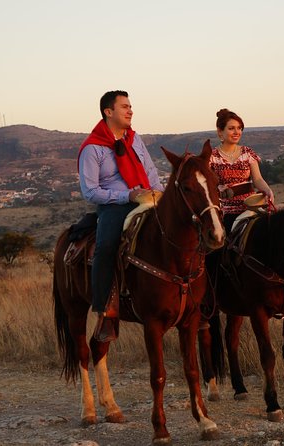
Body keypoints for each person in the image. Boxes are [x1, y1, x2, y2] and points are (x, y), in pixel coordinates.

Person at [78, 90, 164, 341]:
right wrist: (126, 196)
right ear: (108, 112)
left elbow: (150, 171)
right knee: (105, 248)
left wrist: (158, 193)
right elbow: (90, 191)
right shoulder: (92, 148)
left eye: (130, 106)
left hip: (148, 199)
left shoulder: (135, 140)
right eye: (124, 107)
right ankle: (105, 312)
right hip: (115, 205)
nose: (130, 111)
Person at [210, 108, 274, 231]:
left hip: (251, 208)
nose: (237, 132)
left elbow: (258, 179)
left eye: (239, 128)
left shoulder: (247, 153)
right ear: (220, 132)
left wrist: (268, 190)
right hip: (225, 211)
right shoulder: (211, 157)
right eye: (231, 128)